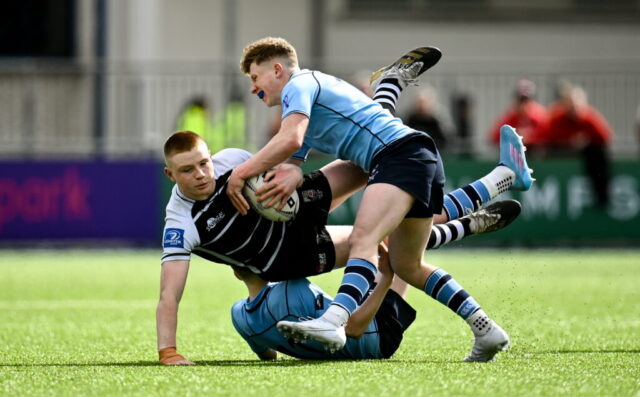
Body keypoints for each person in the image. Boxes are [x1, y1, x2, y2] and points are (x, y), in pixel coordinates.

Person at [227, 38, 533, 360]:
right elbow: (293, 151)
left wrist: (240, 173)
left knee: (364, 238)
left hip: (398, 156)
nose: (252, 88)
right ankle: (485, 329)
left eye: (254, 77)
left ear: (277, 70)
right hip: (411, 155)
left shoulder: (298, 84)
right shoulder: (301, 104)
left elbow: (291, 138)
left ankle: (334, 320)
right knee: (408, 265)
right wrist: (289, 171)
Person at [157, 129, 522, 365]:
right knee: (393, 242)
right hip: (292, 256)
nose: (202, 174)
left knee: (375, 160)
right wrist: (168, 352)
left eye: (203, 163)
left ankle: (386, 93)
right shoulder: (181, 224)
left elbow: (281, 160)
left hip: (292, 207)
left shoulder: (233, 160)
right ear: (170, 175)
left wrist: (290, 169)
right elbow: (169, 296)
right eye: (188, 170)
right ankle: (488, 190)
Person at [232, 199, 521, 361]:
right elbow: (355, 328)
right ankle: (463, 224)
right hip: (377, 336)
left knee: (397, 243)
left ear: (234, 272)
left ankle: (460, 227)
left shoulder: (239, 317)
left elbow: (268, 355)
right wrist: (384, 277)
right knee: (400, 253)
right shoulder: (289, 287)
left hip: (360, 330)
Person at [543, 82, 613, 207]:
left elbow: (605, 136)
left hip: (586, 153)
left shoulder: (589, 118)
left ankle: (602, 195)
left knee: (597, 153)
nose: (573, 108)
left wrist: (585, 141)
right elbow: (547, 136)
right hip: (561, 151)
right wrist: (568, 141)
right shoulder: (557, 118)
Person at [488, 79, 549, 150]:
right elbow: (495, 137)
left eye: (526, 100)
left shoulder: (540, 116)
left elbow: (549, 137)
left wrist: (530, 138)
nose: (523, 104)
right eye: (521, 100)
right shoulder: (510, 116)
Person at [405, 86, 452, 152]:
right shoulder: (411, 119)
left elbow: (447, 139)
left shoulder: (437, 119)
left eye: (423, 102)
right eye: (419, 102)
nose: (421, 106)